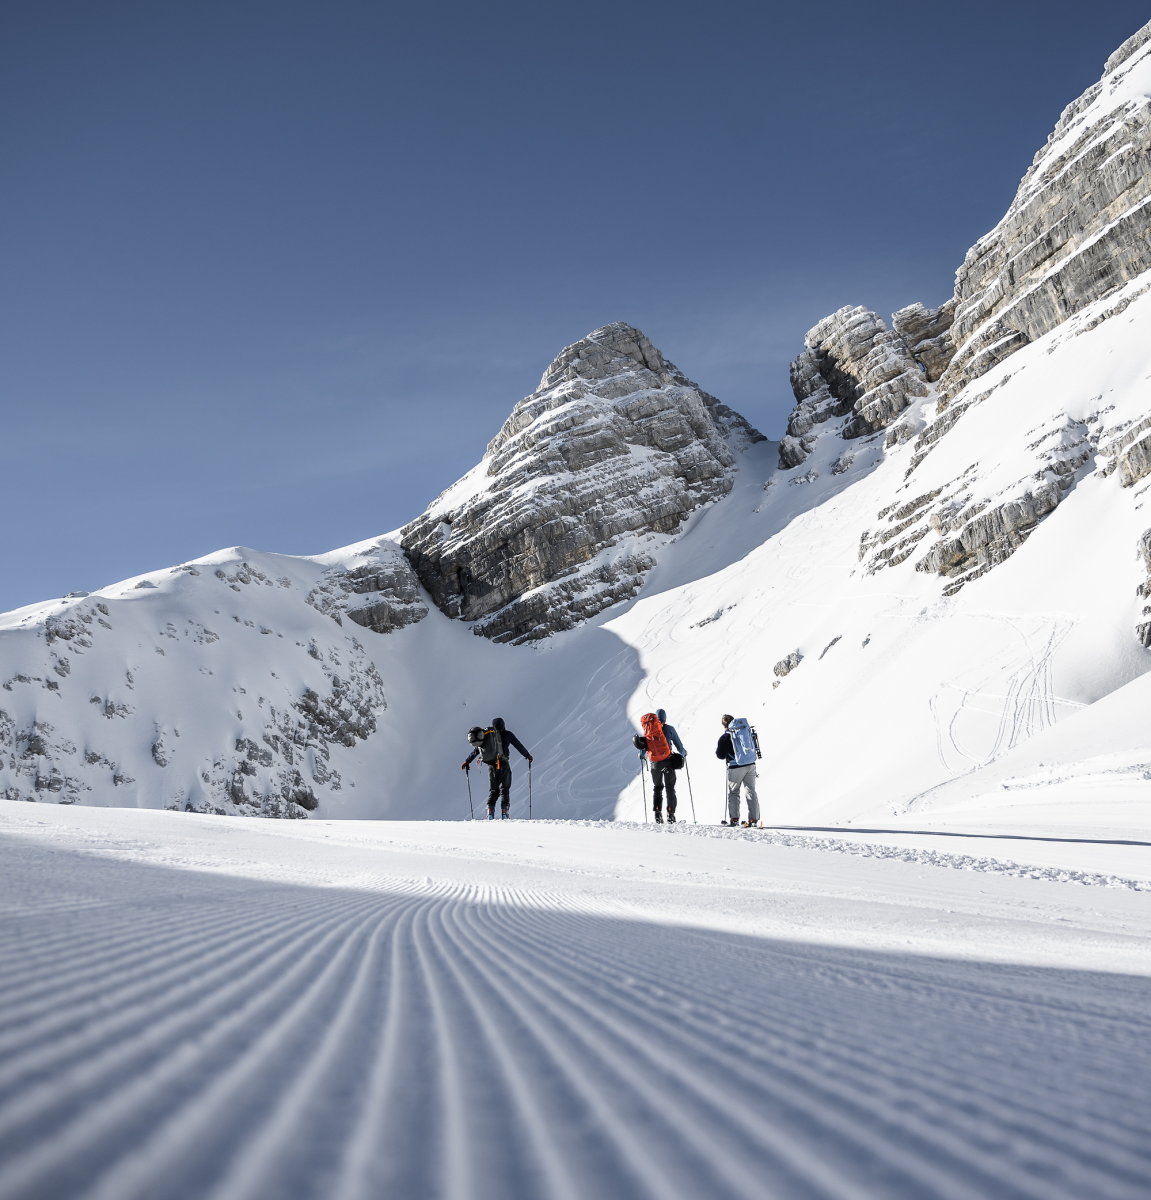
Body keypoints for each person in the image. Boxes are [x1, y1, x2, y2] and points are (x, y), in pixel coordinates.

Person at [462, 716, 533, 819]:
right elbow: (519, 746)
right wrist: (528, 756)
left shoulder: (487, 736)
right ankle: (505, 813)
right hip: (503, 764)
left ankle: (490, 812)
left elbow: (476, 751)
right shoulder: (507, 734)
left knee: (493, 790)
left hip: (491, 766)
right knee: (505, 789)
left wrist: (467, 761)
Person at [637, 708, 687, 824]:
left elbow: (643, 750)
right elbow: (679, 747)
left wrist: (641, 755)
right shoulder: (669, 729)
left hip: (655, 764)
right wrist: (684, 753)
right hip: (668, 762)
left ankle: (657, 814)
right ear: (665, 718)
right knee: (670, 788)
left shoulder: (649, 729)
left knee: (657, 788)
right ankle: (671, 814)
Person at [715, 713, 760, 827]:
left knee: (734, 792)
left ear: (724, 725)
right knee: (751, 791)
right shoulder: (745, 731)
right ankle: (753, 820)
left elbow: (720, 755)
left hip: (735, 767)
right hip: (751, 764)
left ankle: (734, 819)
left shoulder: (725, 737)